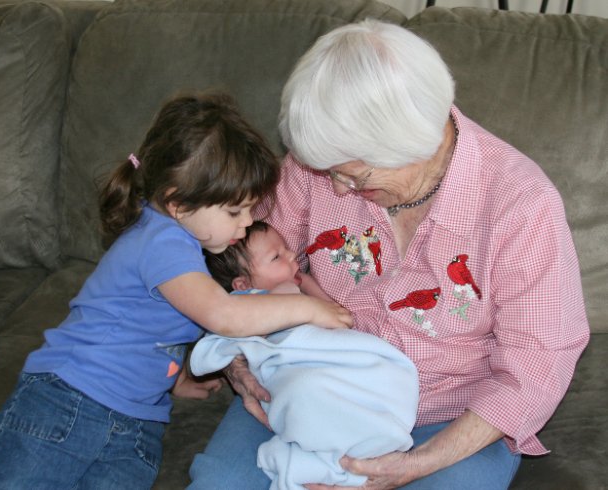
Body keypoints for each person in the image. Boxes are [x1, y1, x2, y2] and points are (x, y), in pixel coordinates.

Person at [187, 20, 590, 490]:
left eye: (352, 175)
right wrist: (238, 357)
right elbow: (228, 255)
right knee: (220, 483)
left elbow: (536, 366)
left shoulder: (520, 206)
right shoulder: (318, 167)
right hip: (312, 384)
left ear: (410, 143)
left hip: (448, 413)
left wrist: (417, 464)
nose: (335, 187)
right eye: (327, 171)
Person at [0, 93, 351, 490]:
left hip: (136, 420)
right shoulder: (162, 242)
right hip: (70, 398)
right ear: (178, 204)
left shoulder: (185, 244)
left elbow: (154, 327)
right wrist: (309, 309)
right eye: (235, 212)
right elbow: (223, 316)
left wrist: (172, 378)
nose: (248, 224)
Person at [191, 221, 419, 489]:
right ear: (242, 285)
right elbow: (221, 336)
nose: (290, 256)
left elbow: (337, 315)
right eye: (277, 256)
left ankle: (342, 444)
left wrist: (306, 284)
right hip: (294, 378)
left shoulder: (295, 286)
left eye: (287, 248)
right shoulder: (246, 305)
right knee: (305, 391)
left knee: (316, 389)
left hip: (332, 363)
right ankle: (338, 454)